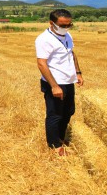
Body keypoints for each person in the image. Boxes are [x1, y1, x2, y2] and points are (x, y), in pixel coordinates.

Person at [35, 9, 83, 156]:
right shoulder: (44, 39)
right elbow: (41, 63)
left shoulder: (67, 35)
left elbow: (71, 53)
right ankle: (54, 145)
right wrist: (54, 86)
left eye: (69, 24)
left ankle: (60, 138)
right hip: (55, 82)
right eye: (63, 25)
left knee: (68, 112)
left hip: (68, 80)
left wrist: (78, 73)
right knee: (55, 114)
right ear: (52, 23)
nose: (66, 27)